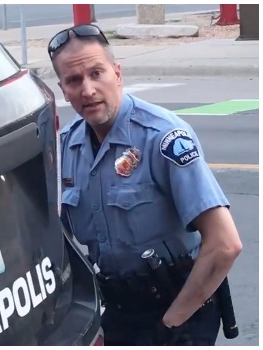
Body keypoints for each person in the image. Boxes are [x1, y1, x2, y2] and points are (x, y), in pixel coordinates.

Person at [51, 24, 242, 346]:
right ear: (62, 88)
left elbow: (225, 244)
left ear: (117, 73)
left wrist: (172, 323)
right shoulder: (67, 148)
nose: (87, 90)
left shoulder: (163, 137)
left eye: (97, 73)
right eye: (74, 80)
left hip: (177, 311)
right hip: (119, 310)